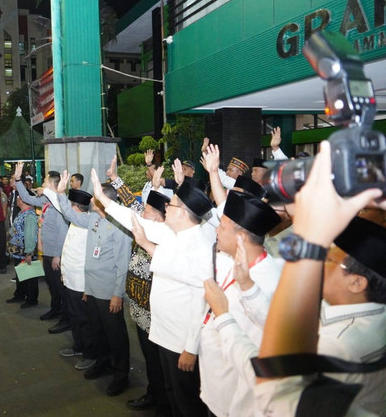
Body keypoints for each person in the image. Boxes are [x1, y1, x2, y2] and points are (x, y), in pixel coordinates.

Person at [254, 141, 386, 416]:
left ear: (357, 282)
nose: (319, 265)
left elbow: (278, 394)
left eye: (326, 259)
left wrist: (309, 234)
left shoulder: (336, 344)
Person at [95, 167, 214, 417]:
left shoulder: (200, 245)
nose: (167, 207)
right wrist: (104, 199)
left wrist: (190, 348)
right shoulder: (174, 232)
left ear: (183, 213)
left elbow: (200, 301)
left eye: (172, 204)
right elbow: (133, 219)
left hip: (181, 341)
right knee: (171, 391)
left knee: (187, 401)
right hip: (164, 332)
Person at [199, 190, 282, 416]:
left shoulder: (265, 281)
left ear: (241, 238)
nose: (216, 230)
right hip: (218, 384)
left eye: (223, 226)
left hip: (236, 397)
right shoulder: (237, 263)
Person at [57, 170, 133, 396]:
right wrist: (61, 194)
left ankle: (121, 375)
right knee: (99, 333)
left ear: (105, 202)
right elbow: (71, 215)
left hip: (109, 293)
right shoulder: (93, 220)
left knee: (116, 336)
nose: (91, 201)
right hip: (92, 290)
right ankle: (102, 363)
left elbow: (122, 265)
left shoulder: (119, 228)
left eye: (96, 198)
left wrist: (118, 295)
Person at [105, 156, 170, 413]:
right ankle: (153, 394)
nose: (141, 213)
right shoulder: (147, 221)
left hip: (157, 315)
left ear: (162, 217)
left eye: (148, 211)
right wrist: (113, 178)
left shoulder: (166, 236)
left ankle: (164, 403)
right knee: (150, 361)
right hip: (140, 311)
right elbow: (133, 203)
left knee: (160, 362)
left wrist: (156, 187)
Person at [13, 162, 69, 326]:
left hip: (56, 254)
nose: (42, 184)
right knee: (52, 286)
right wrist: (17, 180)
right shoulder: (46, 201)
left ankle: (66, 318)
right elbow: (27, 198)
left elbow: (63, 232)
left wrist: (58, 255)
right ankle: (55, 310)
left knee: (60, 287)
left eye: (44, 182)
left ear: (52, 184)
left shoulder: (60, 205)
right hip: (47, 252)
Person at [56, 189, 96, 371]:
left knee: (84, 319)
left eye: (70, 205)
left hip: (81, 282)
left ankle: (90, 354)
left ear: (75, 207)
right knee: (74, 316)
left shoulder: (87, 223)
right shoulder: (75, 222)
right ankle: (78, 347)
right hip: (70, 279)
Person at [5, 195, 39, 307]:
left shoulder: (29, 215)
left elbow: (30, 235)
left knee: (30, 277)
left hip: (26, 252)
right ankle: (20, 294)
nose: (17, 200)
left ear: (24, 201)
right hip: (19, 252)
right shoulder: (22, 212)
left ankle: (31, 299)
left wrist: (29, 253)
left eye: (19, 198)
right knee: (21, 274)